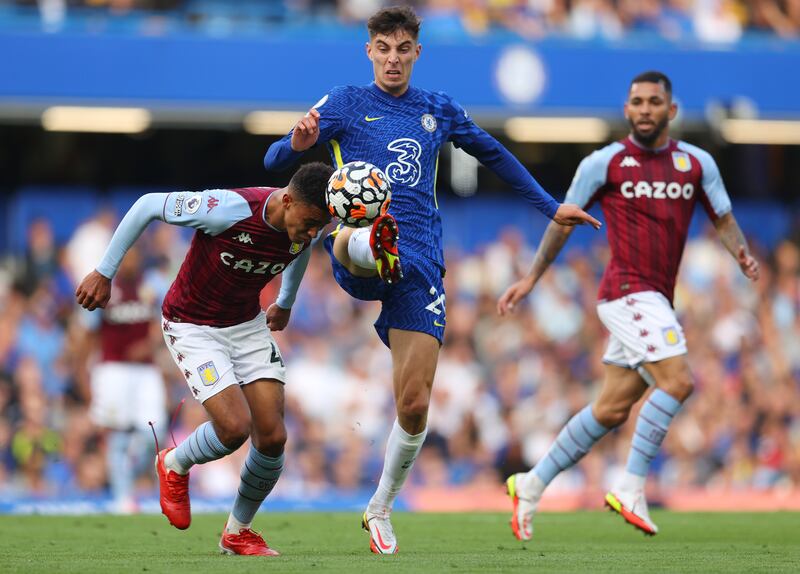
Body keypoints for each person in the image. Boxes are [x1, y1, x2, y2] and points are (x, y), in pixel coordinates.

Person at [264, 5, 600, 554]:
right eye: (383, 48)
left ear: (417, 52)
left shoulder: (436, 109)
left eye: (403, 49)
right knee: (356, 235)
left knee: (415, 404)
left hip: (419, 267)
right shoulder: (345, 102)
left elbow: (492, 153)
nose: (393, 59)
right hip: (356, 248)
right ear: (368, 50)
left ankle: (378, 508)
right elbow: (275, 153)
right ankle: (373, 237)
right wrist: (298, 146)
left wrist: (548, 206)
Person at [497, 71, 760, 539]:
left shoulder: (696, 164)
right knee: (678, 381)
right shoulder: (604, 163)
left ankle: (531, 484)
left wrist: (739, 252)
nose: (644, 109)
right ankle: (632, 486)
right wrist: (531, 278)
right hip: (625, 291)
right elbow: (561, 223)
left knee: (612, 409)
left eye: (654, 102)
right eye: (636, 101)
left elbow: (723, 218)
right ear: (626, 109)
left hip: (656, 297)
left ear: (671, 111)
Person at [76, 162, 334, 556]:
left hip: (246, 324)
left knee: (274, 436)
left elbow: (300, 250)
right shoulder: (228, 209)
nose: (314, 232)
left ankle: (238, 532)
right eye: (312, 221)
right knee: (233, 427)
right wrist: (104, 272)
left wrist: (284, 301)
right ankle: (175, 462)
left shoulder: (303, 225)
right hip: (192, 324)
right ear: (287, 200)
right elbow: (147, 205)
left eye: (321, 225)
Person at [78, 245, 167, 514]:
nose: (130, 260)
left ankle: (127, 477)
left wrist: (150, 344)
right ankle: (123, 497)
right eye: (125, 255)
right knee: (116, 433)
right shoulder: (104, 287)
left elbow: (167, 322)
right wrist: (83, 375)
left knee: (155, 431)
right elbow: (88, 333)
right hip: (113, 369)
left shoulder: (152, 285)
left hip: (146, 371)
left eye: (135, 254)